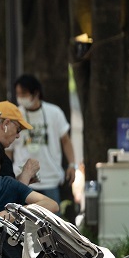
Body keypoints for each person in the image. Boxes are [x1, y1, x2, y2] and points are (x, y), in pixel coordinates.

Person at [12, 74, 77, 204]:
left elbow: (66, 141)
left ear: (35, 93)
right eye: (18, 94)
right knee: (25, 221)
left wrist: (71, 165)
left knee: (51, 221)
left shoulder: (54, 112)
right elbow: (9, 149)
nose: (20, 98)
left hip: (50, 178)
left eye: (23, 93)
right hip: (23, 178)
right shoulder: (15, 115)